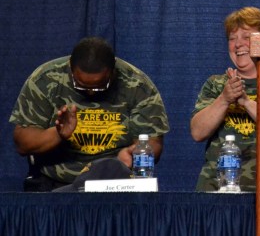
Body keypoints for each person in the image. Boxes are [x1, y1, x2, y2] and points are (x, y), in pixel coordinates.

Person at [9, 36, 169, 191]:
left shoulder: (137, 85)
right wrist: (58, 134)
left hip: (116, 184)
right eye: (81, 86)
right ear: (70, 68)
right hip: (56, 185)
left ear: (113, 71)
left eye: (100, 86)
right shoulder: (45, 80)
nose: (91, 93)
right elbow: (22, 144)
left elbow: (153, 144)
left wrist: (133, 155)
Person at [190, 7, 260, 191]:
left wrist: (246, 102)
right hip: (216, 191)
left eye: (246, 37)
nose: (238, 44)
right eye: (232, 39)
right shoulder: (217, 84)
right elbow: (197, 132)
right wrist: (224, 99)